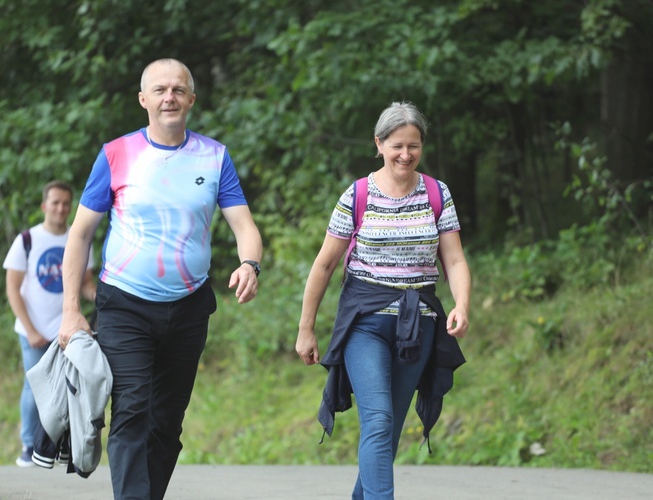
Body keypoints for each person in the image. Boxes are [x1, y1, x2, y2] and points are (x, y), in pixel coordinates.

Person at [58, 58, 262, 499]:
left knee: (167, 421)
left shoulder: (214, 155)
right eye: (160, 89)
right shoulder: (116, 154)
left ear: (191, 98)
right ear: (143, 99)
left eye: (177, 89)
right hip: (125, 305)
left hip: (189, 308)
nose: (169, 97)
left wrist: (249, 264)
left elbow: (245, 227)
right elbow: (80, 235)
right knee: (132, 409)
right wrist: (70, 311)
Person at [295, 101, 471, 499]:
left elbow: (455, 259)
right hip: (366, 323)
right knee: (377, 420)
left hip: (419, 325)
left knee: (387, 432)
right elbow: (324, 266)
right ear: (379, 144)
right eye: (396, 146)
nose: (405, 155)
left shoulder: (436, 193)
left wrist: (461, 304)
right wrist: (306, 329)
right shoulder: (357, 195)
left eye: (414, 146)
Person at [3, 180, 97, 467]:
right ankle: (28, 445)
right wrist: (30, 329)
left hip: (66, 332)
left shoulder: (78, 239)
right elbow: (12, 289)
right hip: (32, 331)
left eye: (66, 203)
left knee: (67, 388)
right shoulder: (27, 241)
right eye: (55, 203)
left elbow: (85, 283)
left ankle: (57, 446)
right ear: (44, 206)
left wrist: (103, 296)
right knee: (34, 389)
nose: (61, 208)